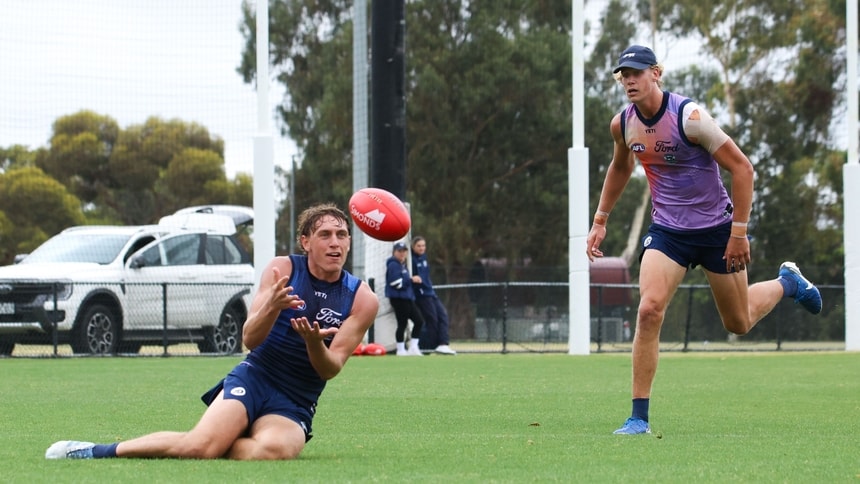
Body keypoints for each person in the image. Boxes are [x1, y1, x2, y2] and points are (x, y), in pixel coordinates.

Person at [586, 45, 822, 435]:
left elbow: (743, 169)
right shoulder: (623, 125)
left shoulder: (690, 118)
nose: (629, 80)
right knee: (648, 310)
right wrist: (600, 220)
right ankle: (638, 418)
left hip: (716, 230)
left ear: (656, 73)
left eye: (637, 72)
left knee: (739, 321)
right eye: (623, 74)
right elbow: (621, 166)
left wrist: (739, 233)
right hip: (668, 232)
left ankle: (788, 282)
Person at [46, 203, 379, 460]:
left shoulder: (362, 298)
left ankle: (224, 436)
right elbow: (250, 339)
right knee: (199, 447)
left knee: (272, 453)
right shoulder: (283, 270)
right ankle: (93, 450)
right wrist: (272, 307)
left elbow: (330, 367)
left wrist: (313, 345)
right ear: (306, 241)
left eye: (342, 234)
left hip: (296, 399)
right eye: (325, 235)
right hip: (255, 376)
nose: (335, 242)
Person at [411, 236, 456, 355]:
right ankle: (426, 347)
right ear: (413, 247)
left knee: (443, 315)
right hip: (422, 295)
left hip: (430, 292)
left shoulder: (424, 258)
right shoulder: (411, 260)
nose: (421, 248)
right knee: (432, 319)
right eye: (419, 246)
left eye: (423, 246)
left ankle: (443, 344)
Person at [385, 241, 425, 356]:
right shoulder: (393, 264)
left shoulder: (402, 265)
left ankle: (413, 347)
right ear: (394, 252)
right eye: (399, 251)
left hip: (407, 298)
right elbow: (395, 283)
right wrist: (411, 280)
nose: (402, 254)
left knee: (419, 321)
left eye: (404, 251)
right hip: (398, 299)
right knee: (402, 323)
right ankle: (400, 349)